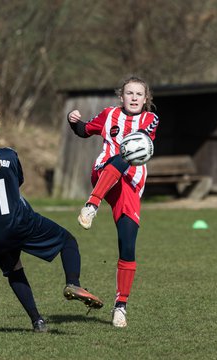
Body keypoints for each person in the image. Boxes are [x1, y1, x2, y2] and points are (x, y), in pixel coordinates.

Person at [0, 110, 103, 333]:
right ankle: (73, 284)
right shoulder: (9, 155)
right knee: (67, 241)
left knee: (14, 270)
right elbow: (17, 182)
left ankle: (37, 321)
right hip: (19, 222)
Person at [68, 75, 159, 328]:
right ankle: (91, 205)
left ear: (145, 98)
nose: (133, 98)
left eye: (138, 94)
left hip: (130, 185)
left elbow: (139, 143)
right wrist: (73, 120)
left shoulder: (151, 119)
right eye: (129, 93)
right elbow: (84, 130)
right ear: (121, 96)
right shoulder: (109, 114)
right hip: (103, 174)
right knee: (121, 157)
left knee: (127, 245)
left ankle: (120, 307)